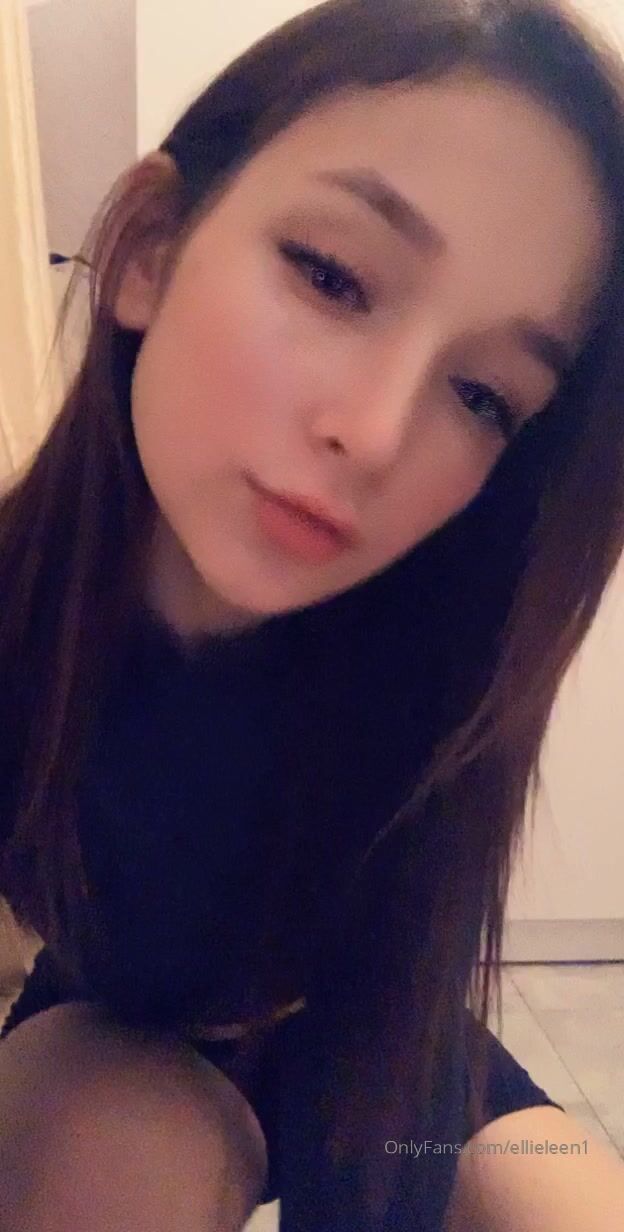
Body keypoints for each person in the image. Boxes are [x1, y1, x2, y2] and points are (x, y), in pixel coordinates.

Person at [0, 0, 623, 1227]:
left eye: (484, 395)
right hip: (115, 1044)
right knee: (109, 1160)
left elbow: (388, 1054)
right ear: (150, 249)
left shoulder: (434, 661)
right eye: (333, 276)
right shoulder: (26, 615)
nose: (377, 432)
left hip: (396, 1065)